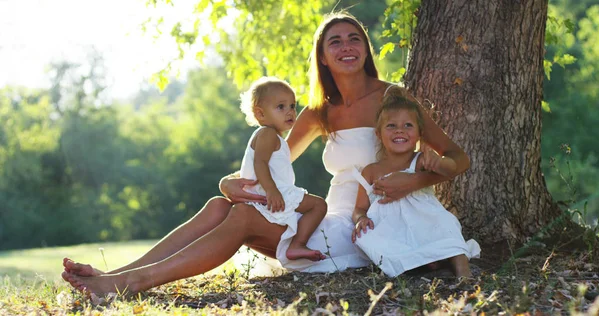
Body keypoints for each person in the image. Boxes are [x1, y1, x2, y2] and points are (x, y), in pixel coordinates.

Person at [61, 11, 471, 296]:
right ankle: (114, 275)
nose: (347, 47)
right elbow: (270, 163)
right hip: (329, 215)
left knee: (241, 217)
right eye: (335, 41)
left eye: (354, 39)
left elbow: (457, 157)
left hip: (366, 225)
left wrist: (414, 180)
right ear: (323, 56)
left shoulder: (394, 100)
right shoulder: (317, 111)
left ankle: (127, 285)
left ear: (366, 47)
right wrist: (230, 182)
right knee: (220, 205)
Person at [350, 86, 480, 278]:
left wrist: (439, 162)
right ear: (379, 134)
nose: (399, 131)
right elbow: (359, 208)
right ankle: (418, 265)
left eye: (408, 125)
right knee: (367, 238)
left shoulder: (420, 161)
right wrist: (361, 219)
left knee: (445, 225)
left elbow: (452, 169)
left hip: (426, 221)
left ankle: (462, 273)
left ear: (419, 134)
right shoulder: (371, 171)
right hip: (391, 228)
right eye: (391, 126)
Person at [237, 76, 327, 262]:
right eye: (281, 107)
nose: (290, 112)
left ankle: (295, 241)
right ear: (260, 114)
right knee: (318, 205)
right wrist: (272, 190)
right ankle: (297, 244)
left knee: (311, 207)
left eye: (292, 106)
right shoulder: (268, 134)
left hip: (270, 189)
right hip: (269, 189)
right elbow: (259, 163)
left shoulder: (273, 137)